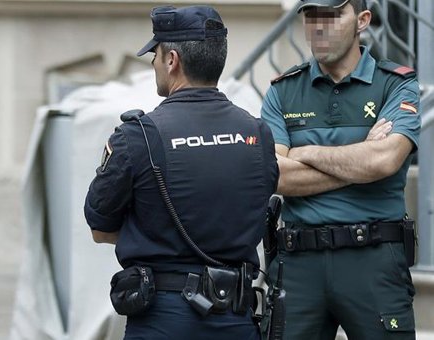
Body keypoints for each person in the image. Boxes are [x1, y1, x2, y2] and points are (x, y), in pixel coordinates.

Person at [84, 5, 279, 340]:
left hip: (164, 318)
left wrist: (150, 227)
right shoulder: (257, 134)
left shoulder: (137, 137)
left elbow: (100, 230)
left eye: (155, 56)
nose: (154, 64)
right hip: (237, 317)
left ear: (172, 60)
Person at [260, 0, 420, 339]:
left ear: (362, 20)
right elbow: (276, 175)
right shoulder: (283, 90)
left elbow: (383, 161)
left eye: (332, 16)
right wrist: (361, 156)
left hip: (373, 259)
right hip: (299, 263)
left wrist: (304, 152)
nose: (319, 26)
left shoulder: (396, 84)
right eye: (312, 16)